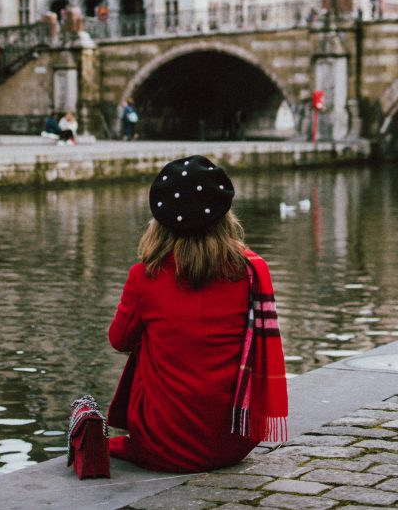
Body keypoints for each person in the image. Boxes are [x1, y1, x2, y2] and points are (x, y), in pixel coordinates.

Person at [107, 155, 288, 473]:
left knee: (145, 343)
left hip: (164, 446)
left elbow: (119, 340)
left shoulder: (144, 276)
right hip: (235, 442)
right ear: (224, 216)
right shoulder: (250, 272)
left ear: (159, 220)